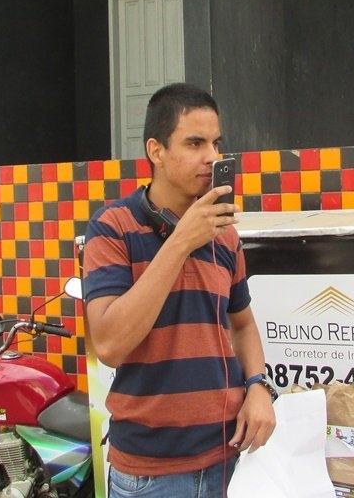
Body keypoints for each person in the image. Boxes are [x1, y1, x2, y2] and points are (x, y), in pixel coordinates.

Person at [82, 82, 276, 497]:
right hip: (150, 475)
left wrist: (259, 385)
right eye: (194, 143)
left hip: (228, 459)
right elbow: (110, 345)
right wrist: (181, 241)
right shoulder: (112, 227)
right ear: (156, 151)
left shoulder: (224, 236)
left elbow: (242, 325)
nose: (212, 157)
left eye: (216, 143)